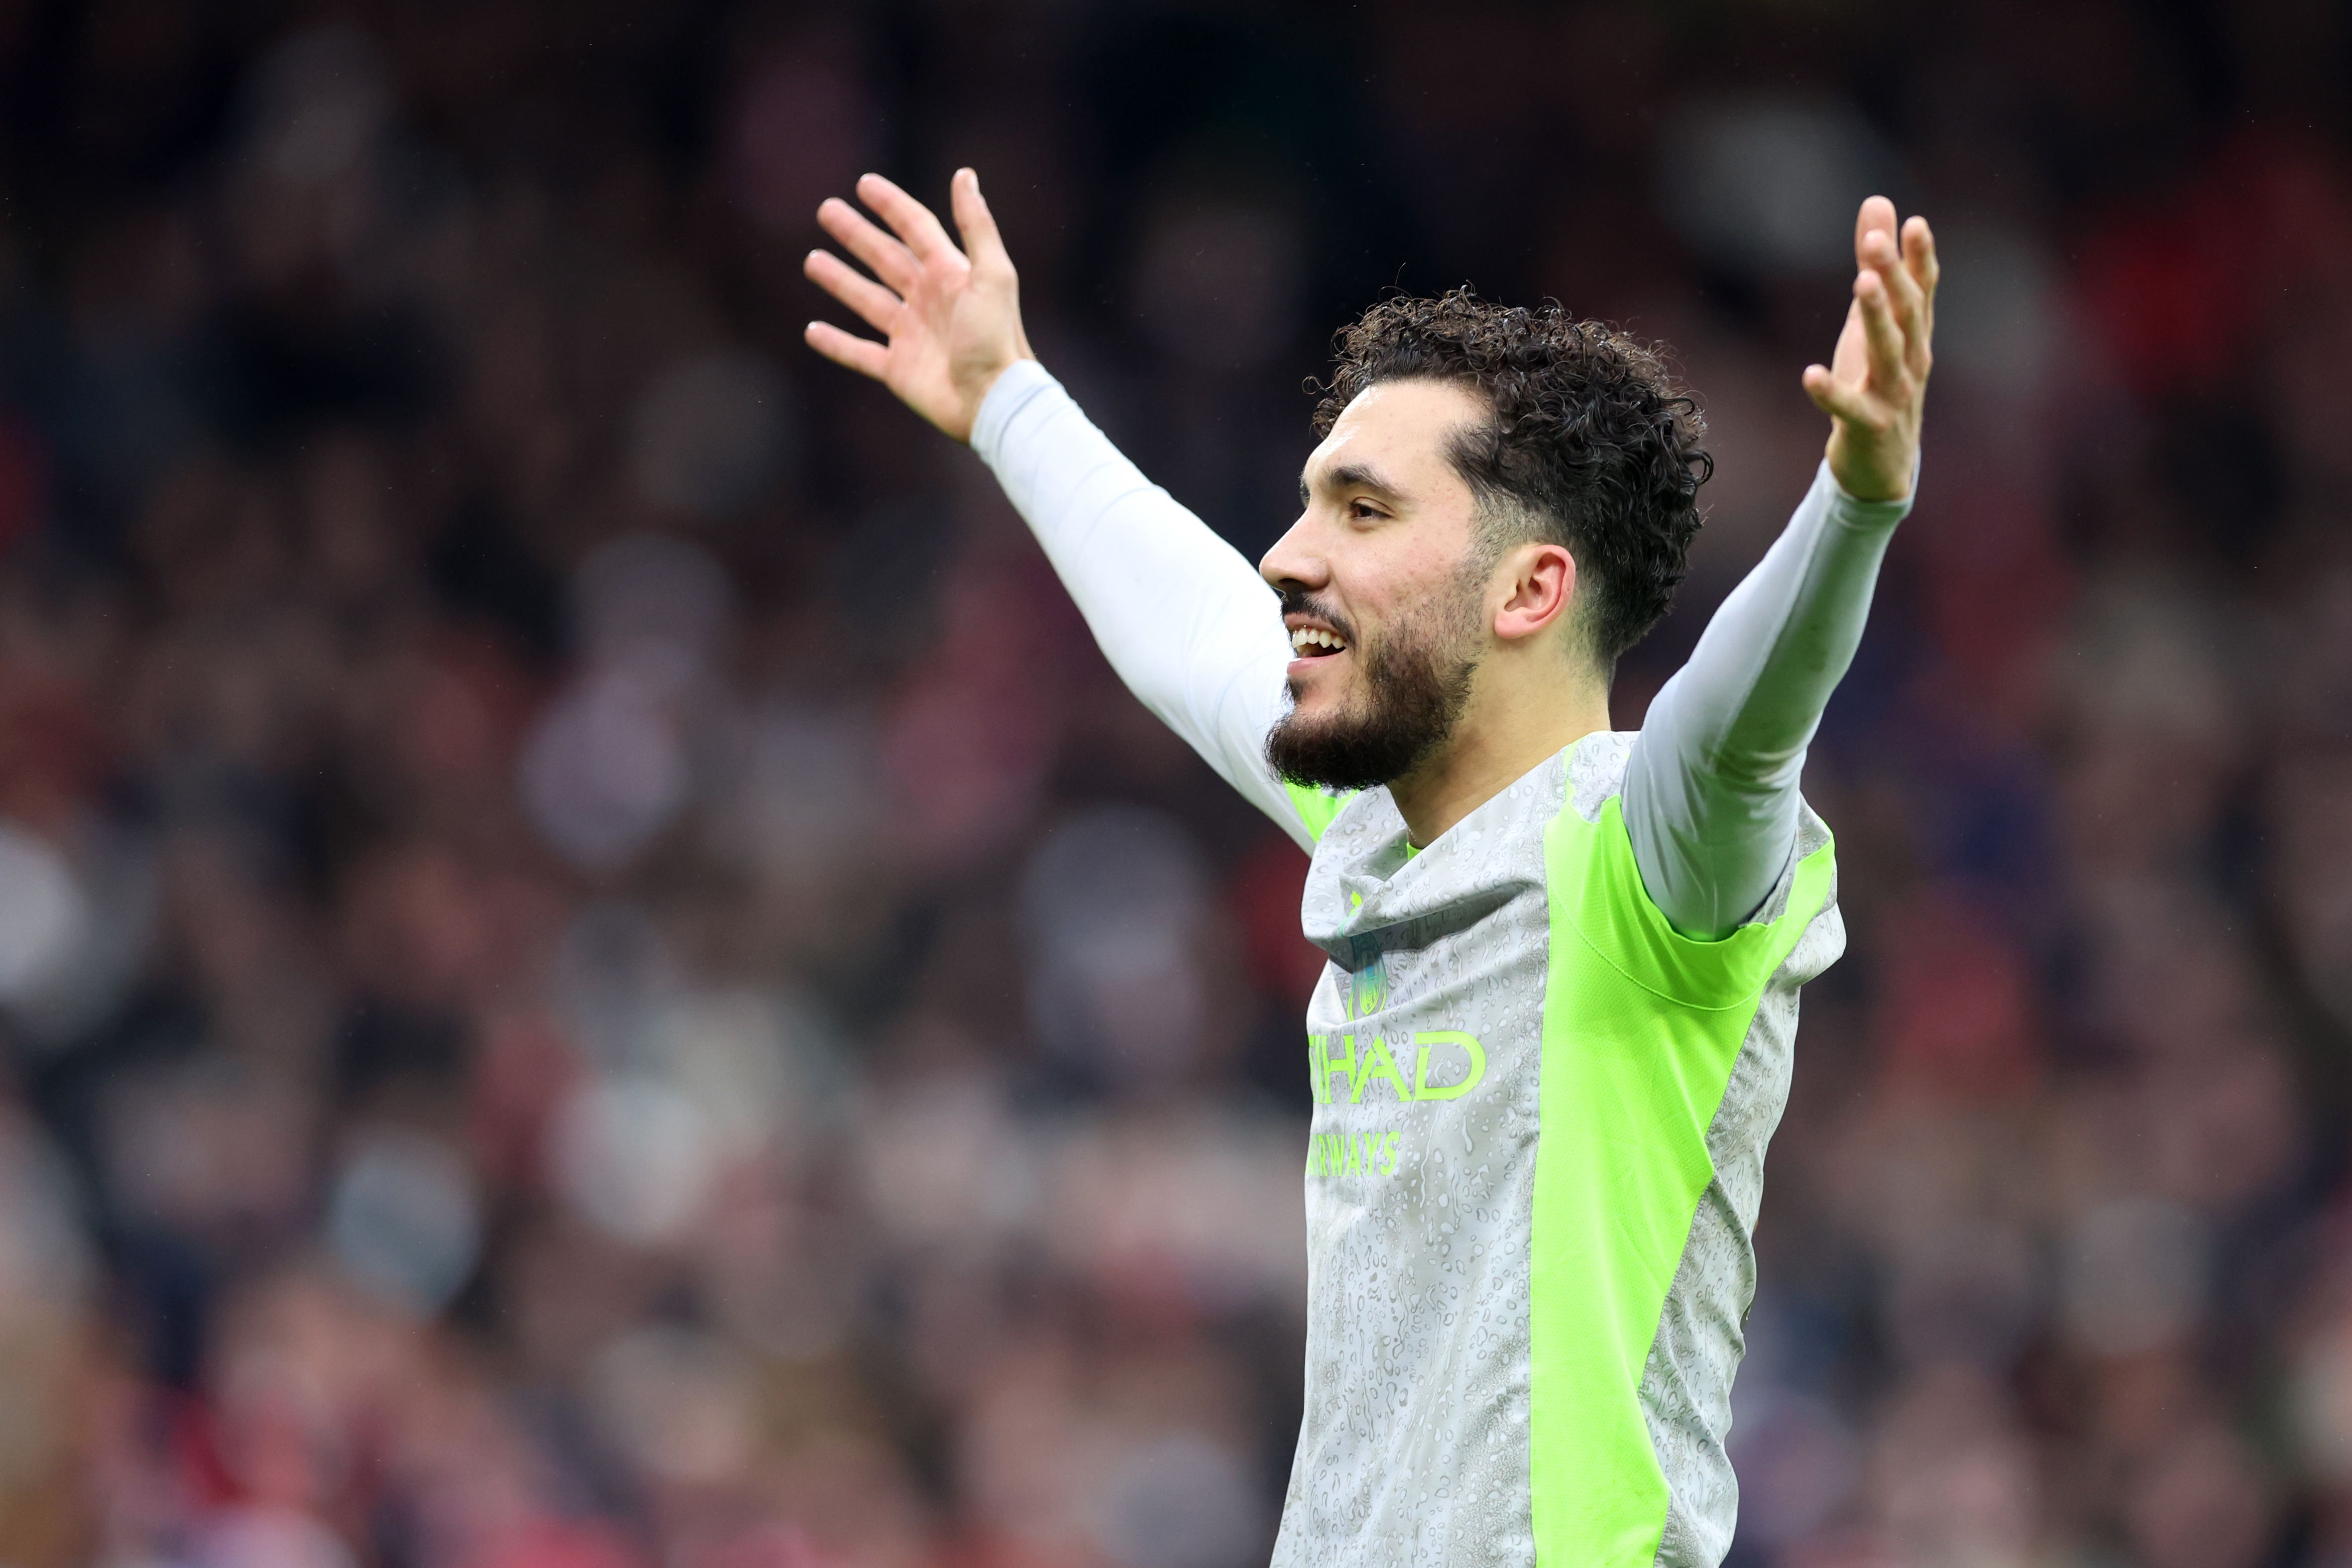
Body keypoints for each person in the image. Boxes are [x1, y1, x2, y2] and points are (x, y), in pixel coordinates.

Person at [803, 167, 1934, 1568]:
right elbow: (1196, 636)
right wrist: (1008, 399)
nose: (1288, 557)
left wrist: (1853, 506)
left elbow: (1742, 736)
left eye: (1362, 511)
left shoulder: (1648, 870)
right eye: (1307, 507)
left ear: (1530, 589)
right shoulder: (1382, 838)